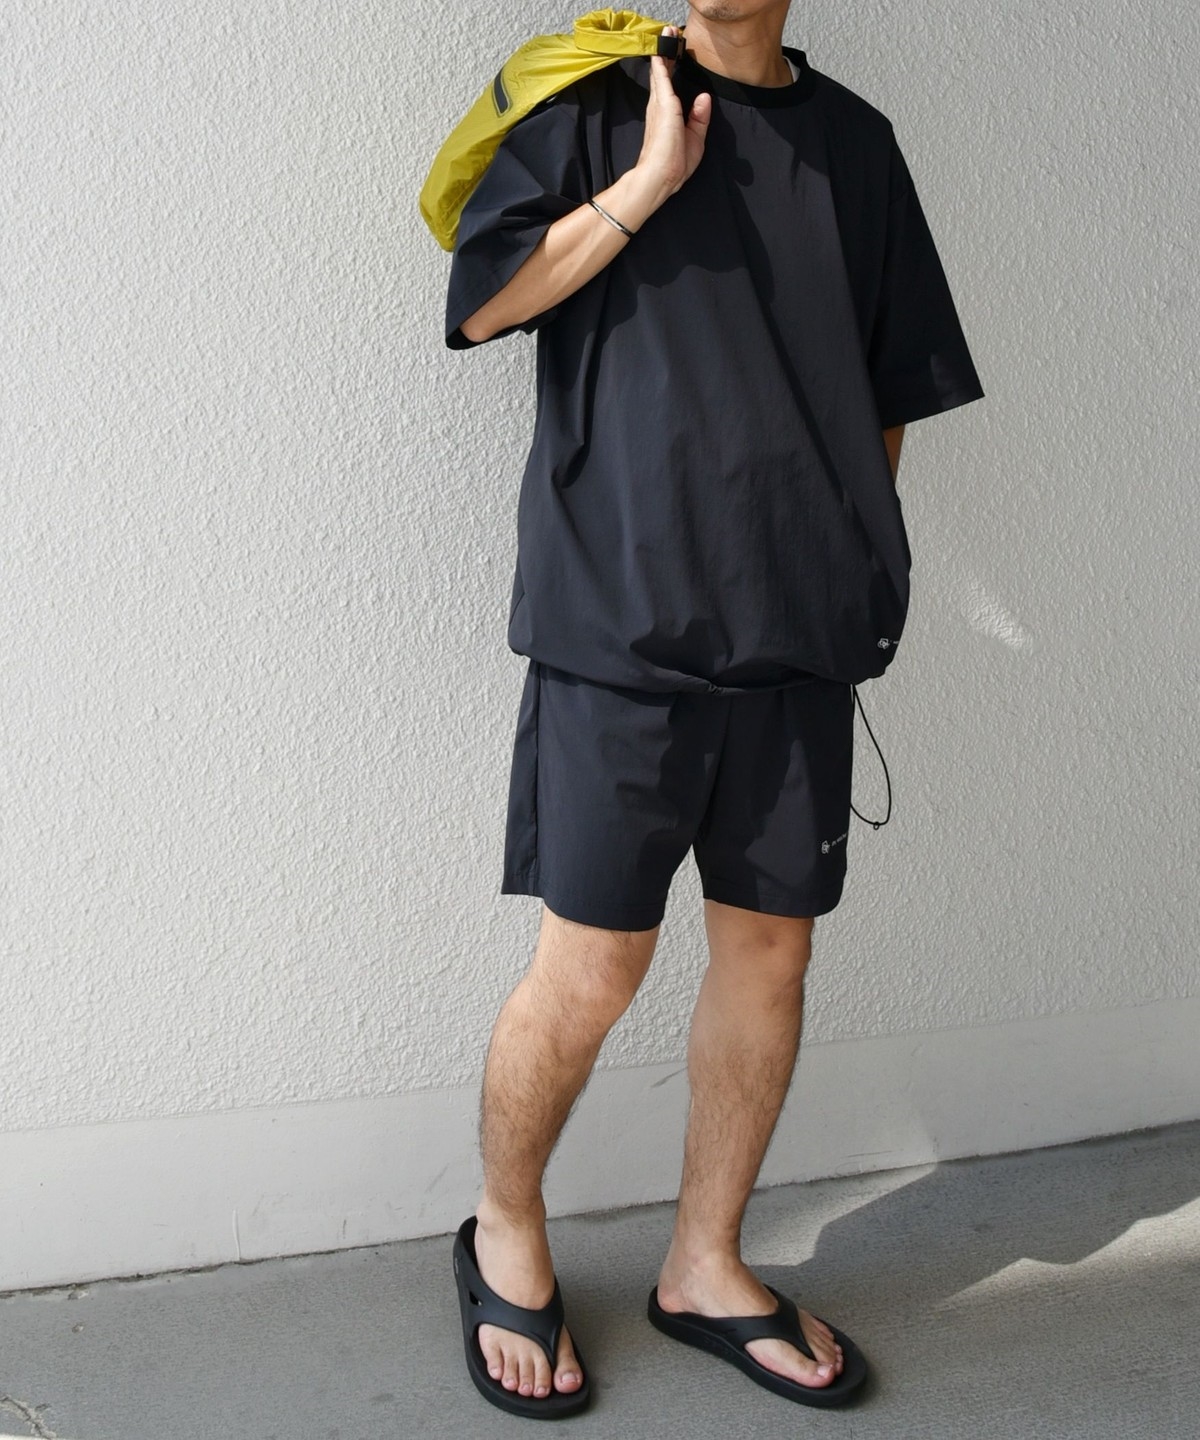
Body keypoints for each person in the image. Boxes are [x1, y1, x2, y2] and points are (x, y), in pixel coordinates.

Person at [441, 0, 984, 1419]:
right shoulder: (595, 104)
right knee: (590, 969)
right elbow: (486, 301)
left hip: (796, 642)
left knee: (769, 957)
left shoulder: (857, 147)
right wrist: (646, 184)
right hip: (618, 632)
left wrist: (840, 555)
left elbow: (889, 385)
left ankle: (703, 1264)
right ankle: (505, 1230)